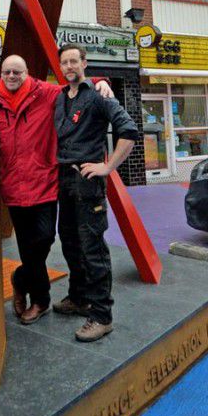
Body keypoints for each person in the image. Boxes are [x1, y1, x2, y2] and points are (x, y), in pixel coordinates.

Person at [0, 55, 113, 326]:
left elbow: (74, 85)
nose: (12, 76)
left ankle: (21, 279)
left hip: (44, 183)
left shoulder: (44, 93)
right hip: (13, 187)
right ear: (1, 73)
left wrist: (99, 82)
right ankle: (41, 300)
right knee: (27, 248)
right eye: (7, 72)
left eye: (17, 72)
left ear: (27, 73)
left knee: (44, 239)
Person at [54, 43, 139, 342]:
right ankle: (79, 298)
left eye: (74, 61)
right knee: (70, 243)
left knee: (93, 250)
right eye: (64, 63)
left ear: (85, 63)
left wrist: (107, 167)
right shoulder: (61, 97)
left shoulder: (99, 97)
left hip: (88, 183)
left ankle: (102, 316)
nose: (69, 67)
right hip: (64, 179)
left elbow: (128, 131)